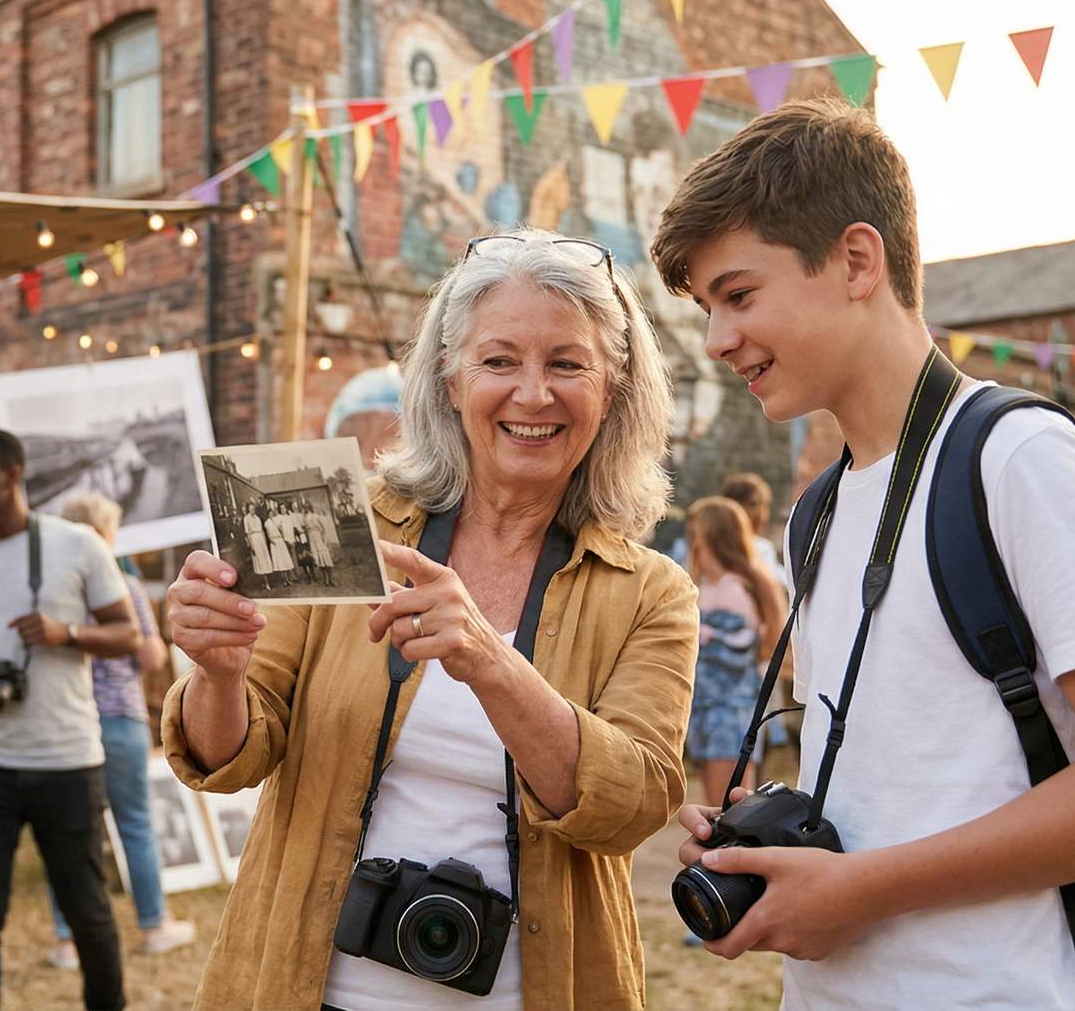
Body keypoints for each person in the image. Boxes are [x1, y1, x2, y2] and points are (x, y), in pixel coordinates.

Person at [651, 97, 1075, 1007]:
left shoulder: (1022, 460)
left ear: (857, 260)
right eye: (710, 308)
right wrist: (765, 839)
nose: (717, 339)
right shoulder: (818, 511)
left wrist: (862, 890)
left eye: (740, 295)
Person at [162, 230, 697, 1008]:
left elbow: (632, 806)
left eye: (567, 364)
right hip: (306, 987)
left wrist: (490, 658)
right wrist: (218, 669)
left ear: (611, 391)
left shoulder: (650, 592)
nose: (534, 393)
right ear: (449, 379)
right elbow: (232, 757)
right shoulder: (339, 524)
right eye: (500, 360)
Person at [0, 428, 139, 1010]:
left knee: (89, 912)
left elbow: (128, 635)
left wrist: (67, 633)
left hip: (65, 760)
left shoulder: (79, 546)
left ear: (12, 475)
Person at [44, 491, 198, 969]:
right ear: (105, 534)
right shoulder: (123, 584)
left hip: (66, 721)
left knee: (68, 831)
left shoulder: (53, 587)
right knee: (135, 823)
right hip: (121, 718)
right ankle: (153, 925)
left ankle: (67, 940)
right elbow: (151, 657)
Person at [682, 496, 787, 806]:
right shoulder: (707, 585)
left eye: (696, 532)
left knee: (728, 810)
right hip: (707, 710)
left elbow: (736, 652)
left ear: (710, 536)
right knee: (719, 806)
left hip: (728, 712)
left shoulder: (735, 589)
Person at [719, 471, 790, 595]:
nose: (760, 514)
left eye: (765, 506)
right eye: (753, 504)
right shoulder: (713, 546)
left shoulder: (763, 548)